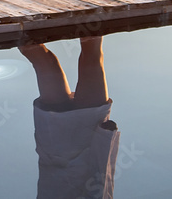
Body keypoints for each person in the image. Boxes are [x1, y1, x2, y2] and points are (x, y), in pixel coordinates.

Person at [20, 37, 120, 198]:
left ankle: (91, 15)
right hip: (56, 147)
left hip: (82, 142)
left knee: (91, 55)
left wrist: (106, 136)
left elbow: (100, 181)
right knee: (42, 59)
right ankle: (19, 25)